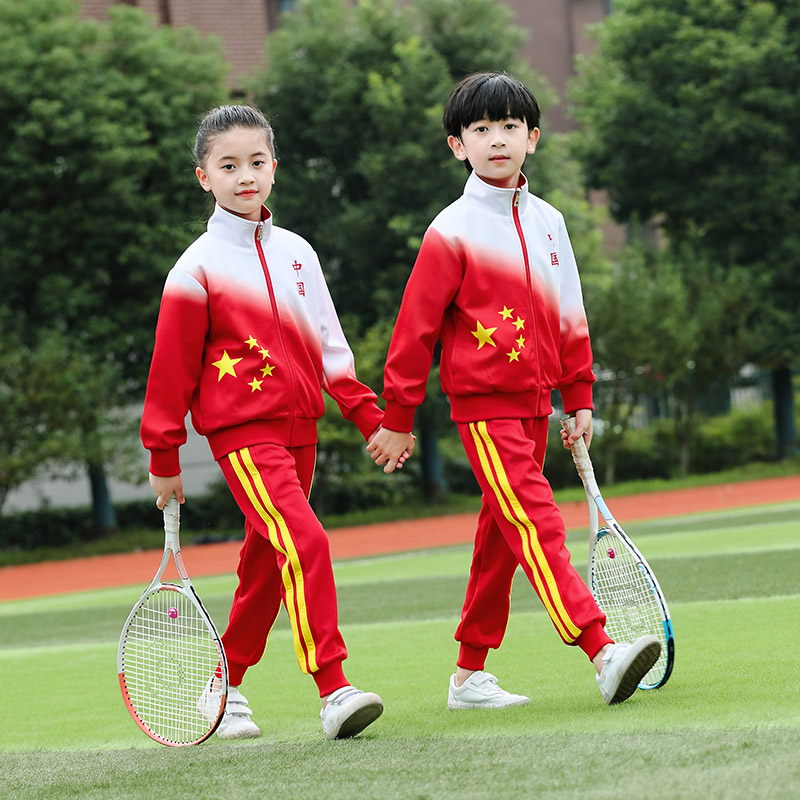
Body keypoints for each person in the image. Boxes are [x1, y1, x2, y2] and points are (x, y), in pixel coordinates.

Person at [367, 72, 659, 709]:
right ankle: (601, 650)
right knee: (536, 521)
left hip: (537, 404)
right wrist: (397, 416)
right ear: (457, 146)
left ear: (533, 137)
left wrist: (578, 396)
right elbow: (414, 329)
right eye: (480, 129)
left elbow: (569, 312)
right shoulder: (451, 230)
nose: (496, 140)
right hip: (482, 408)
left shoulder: (551, 222)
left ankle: (469, 676)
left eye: (509, 127)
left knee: (502, 538)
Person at [141, 105, 398, 740]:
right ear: (203, 176)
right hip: (242, 435)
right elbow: (169, 375)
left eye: (256, 163)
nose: (244, 176)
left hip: (300, 429)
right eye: (228, 165)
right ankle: (334, 688)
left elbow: (331, 347)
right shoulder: (194, 270)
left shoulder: (298, 253)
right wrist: (163, 460)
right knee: (305, 542)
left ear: (275, 169)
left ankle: (222, 689)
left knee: (265, 564)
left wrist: (368, 417)